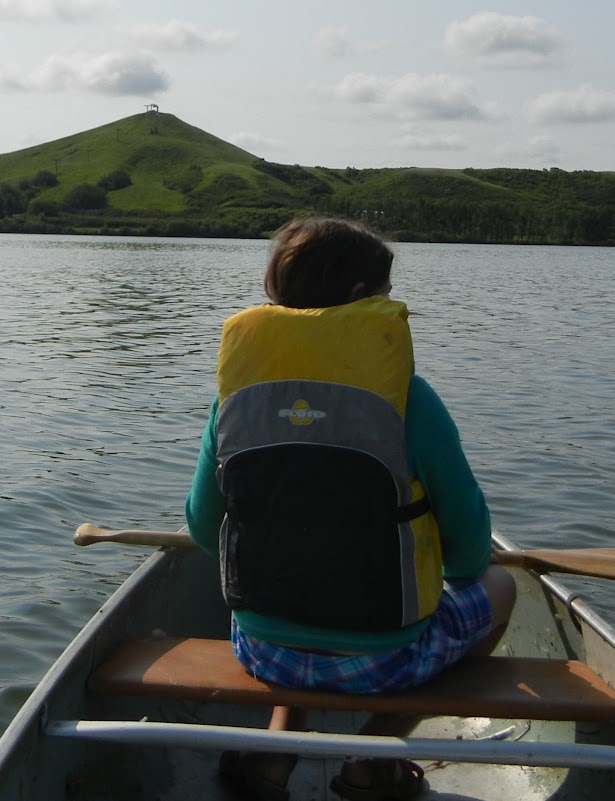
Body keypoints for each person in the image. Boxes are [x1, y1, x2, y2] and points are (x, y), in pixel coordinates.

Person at [185, 216, 515, 801]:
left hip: (263, 650)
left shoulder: (232, 402)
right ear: (363, 297)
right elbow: (467, 553)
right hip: (387, 658)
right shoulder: (409, 399)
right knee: (502, 587)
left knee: (298, 591)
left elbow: (205, 529)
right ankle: (370, 757)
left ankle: (274, 760)